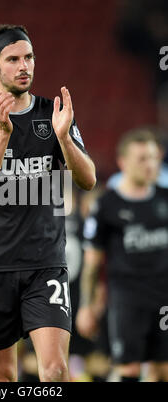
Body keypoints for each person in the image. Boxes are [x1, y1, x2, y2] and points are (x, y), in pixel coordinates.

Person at [0, 24, 96, 382]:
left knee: (56, 370)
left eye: (29, 57)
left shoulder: (54, 112)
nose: (24, 66)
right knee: (1, 376)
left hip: (45, 263)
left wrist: (63, 138)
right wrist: (2, 135)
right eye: (13, 59)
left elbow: (88, 179)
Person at [76, 128, 168, 382]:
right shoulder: (106, 205)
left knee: (163, 370)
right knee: (129, 370)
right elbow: (92, 262)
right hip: (127, 301)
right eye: (142, 159)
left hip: (164, 300)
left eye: (153, 158)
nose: (150, 165)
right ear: (123, 162)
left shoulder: (164, 198)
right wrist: (86, 306)